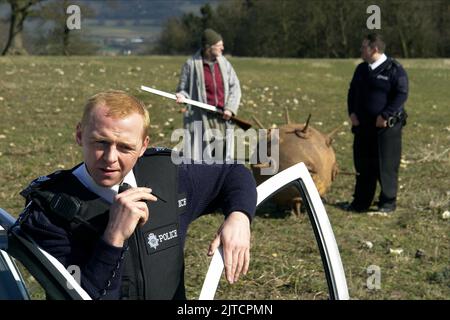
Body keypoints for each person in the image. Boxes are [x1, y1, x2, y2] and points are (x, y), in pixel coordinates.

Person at [18, 90, 256, 299]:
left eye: (125, 147)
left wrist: (239, 217)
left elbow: (232, 174)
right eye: (101, 142)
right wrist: (113, 237)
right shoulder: (48, 211)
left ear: (144, 146)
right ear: (80, 135)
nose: (110, 158)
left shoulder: (168, 176)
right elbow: (77, 294)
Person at [346, 33, 408, 213]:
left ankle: (387, 202)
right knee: (363, 164)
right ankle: (361, 202)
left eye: (363, 47)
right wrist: (352, 113)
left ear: (374, 49)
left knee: (385, 165)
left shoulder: (395, 70)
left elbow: (401, 94)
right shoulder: (361, 69)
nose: (360, 50)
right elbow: (352, 92)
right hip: (362, 126)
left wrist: (386, 115)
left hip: (385, 128)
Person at [175, 28, 241, 161]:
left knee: (222, 157)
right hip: (200, 118)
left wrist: (230, 108)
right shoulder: (191, 64)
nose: (222, 48)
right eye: (219, 45)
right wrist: (182, 96)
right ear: (208, 47)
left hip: (223, 117)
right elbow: (183, 89)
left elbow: (235, 87)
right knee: (200, 158)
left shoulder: (225, 63)